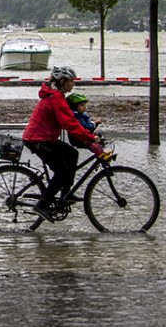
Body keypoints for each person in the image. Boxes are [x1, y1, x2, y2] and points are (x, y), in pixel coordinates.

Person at [22, 66, 110, 223]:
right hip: (38, 139)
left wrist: (88, 133)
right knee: (61, 172)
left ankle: (65, 194)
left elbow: (72, 120)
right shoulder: (55, 97)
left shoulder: (57, 95)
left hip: (45, 138)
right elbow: (70, 124)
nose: (73, 84)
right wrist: (90, 137)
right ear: (62, 81)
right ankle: (42, 205)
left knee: (72, 154)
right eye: (71, 81)